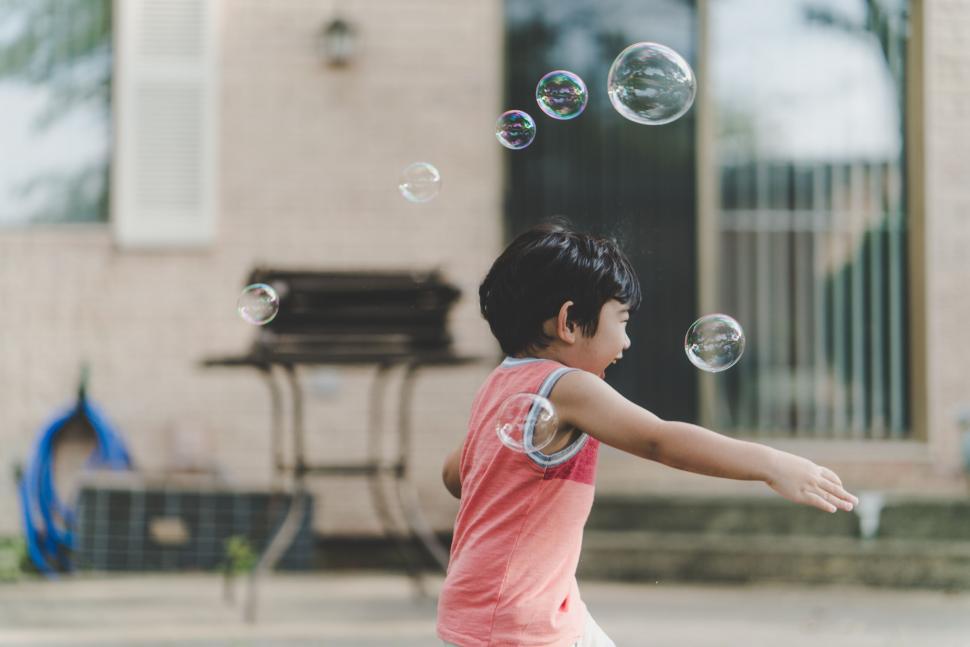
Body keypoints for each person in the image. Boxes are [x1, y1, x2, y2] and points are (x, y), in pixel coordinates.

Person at [436, 222, 858, 647]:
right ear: (568, 322)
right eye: (621, 320)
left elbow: (456, 476)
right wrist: (771, 464)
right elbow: (660, 439)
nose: (628, 342)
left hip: (506, 602)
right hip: (515, 620)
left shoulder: (499, 384)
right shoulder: (569, 387)